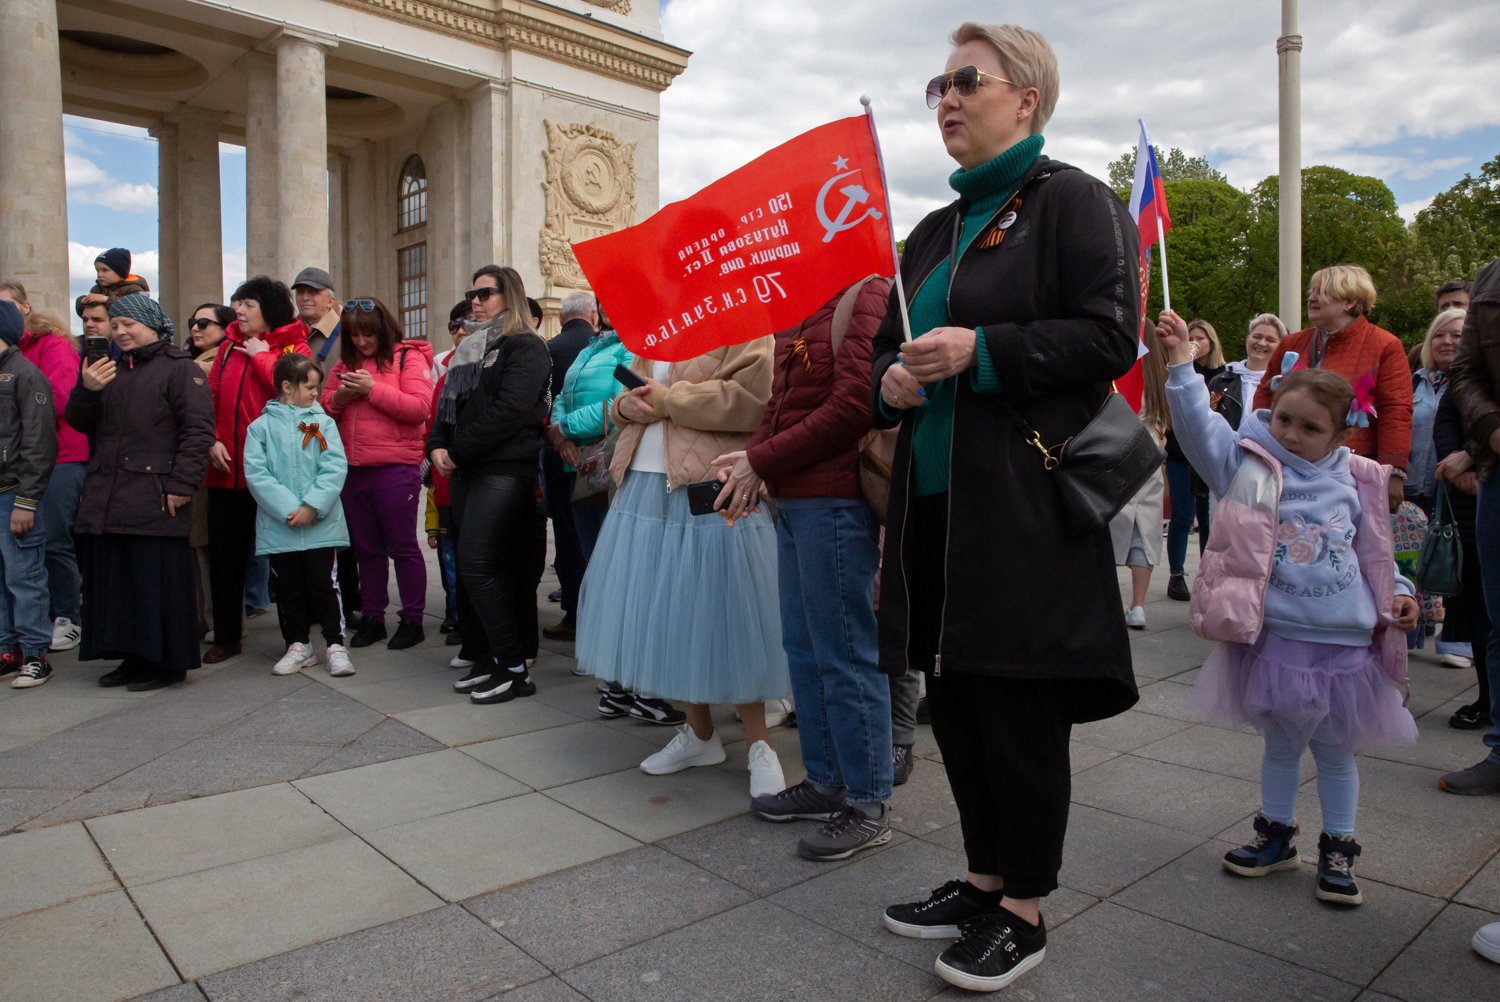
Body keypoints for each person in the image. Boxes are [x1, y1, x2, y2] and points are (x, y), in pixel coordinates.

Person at [870, 23, 1140, 994]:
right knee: (960, 699)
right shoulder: (931, 232)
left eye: (967, 79)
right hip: (936, 505)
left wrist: (979, 354)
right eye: (936, 81)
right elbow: (886, 354)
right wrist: (890, 385)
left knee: (1018, 700)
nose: (947, 95)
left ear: (1025, 98)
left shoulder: (1073, 202)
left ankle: (1023, 907)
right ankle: (983, 879)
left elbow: (1111, 335)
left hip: (1024, 500)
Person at [1157, 308, 1420, 906]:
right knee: (1278, 746)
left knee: (1333, 750)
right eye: (1283, 419)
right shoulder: (1249, 463)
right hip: (1275, 639)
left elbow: (1380, 557)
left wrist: (1402, 596)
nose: (1292, 434)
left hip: (1342, 647)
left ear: (1342, 432)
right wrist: (1179, 363)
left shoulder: (1362, 480)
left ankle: (1339, 846)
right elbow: (1199, 429)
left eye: (1309, 427)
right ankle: (1275, 836)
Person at [703, 277, 889, 859]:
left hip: (835, 501)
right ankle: (828, 779)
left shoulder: (866, 293)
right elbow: (779, 407)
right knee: (804, 649)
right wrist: (751, 462)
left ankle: (868, 799)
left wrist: (762, 459)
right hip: (795, 499)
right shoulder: (802, 302)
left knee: (844, 652)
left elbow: (856, 404)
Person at [574, 318, 788, 790]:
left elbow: (752, 402)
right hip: (645, 484)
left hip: (708, 482)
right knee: (670, 612)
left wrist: (667, 401)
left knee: (730, 610)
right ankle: (699, 733)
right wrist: (626, 406)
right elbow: (633, 396)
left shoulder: (743, 318)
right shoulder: (658, 324)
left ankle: (759, 743)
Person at [68, 294, 213, 690]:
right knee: (119, 582)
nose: (120, 331)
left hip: (156, 491)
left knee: (155, 582)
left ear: (151, 324)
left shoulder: (179, 369)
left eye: (128, 324)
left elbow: (198, 431)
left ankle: (166, 663)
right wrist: (87, 389)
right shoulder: (108, 369)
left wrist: (183, 483)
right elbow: (81, 422)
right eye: (115, 326)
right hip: (110, 492)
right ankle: (132, 657)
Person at [427, 265, 551, 703]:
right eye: (472, 294)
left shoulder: (525, 346)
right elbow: (447, 406)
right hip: (465, 471)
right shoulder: (472, 349)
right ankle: (497, 661)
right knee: (482, 568)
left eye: (485, 294)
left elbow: (512, 410)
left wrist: (457, 451)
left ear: (509, 295)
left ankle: (515, 669)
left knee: (477, 565)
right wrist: (437, 446)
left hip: (502, 469)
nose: (475, 301)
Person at [204, 276, 311, 663]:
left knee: (286, 559)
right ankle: (228, 635)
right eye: (237, 303)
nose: (239, 310)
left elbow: (297, 394)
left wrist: (260, 355)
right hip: (226, 469)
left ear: (270, 309)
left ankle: (297, 638)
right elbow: (211, 395)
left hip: (275, 473)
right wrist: (211, 438)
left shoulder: (294, 346)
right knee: (225, 556)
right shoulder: (227, 348)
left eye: (248, 303)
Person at [1252, 264, 1414, 514]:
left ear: (1350, 301)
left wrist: (1392, 471)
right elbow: (1265, 396)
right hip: (1287, 464)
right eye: (1311, 290)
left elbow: (1396, 410)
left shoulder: (1386, 345)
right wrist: (1259, 447)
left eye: (1322, 291)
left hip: (1354, 470)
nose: (1311, 297)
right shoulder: (1292, 342)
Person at [321, 298, 433, 649]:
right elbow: (324, 405)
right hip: (353, 467)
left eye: (367, 334)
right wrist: (340, 397)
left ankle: (412, 619)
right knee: (366, 549)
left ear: (383, 328)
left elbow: (420, 408)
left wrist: (372, 390)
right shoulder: (347, 360)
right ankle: (373, 617)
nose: (361, 342)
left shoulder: (407, 356)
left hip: (395, 466)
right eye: (354, 335)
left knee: (402, 547)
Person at [244, 353, 354, 677]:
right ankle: (299, 644)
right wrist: (291, 509)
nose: (315, 394)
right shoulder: (259, 428)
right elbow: (257, 474)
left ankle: (335, 644)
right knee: (288, 588)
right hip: (282, 527)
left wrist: (312, 506)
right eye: (309, 387)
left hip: (321, 525)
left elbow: (334, 467)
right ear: (287, 387)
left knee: (324, 584)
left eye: (317, 387)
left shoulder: (324, 423)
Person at [1439, 255, 1500, 796]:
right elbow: (1468, 371)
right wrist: (1489, 432)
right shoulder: (1491, 280)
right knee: (1496, 615)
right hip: (1497, 469)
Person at [0, 282, 86, 653]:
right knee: (22, 555)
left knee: (51, 542)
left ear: (24, 307)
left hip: (61, 454)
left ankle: (66, 617)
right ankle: (21, 630)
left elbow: (61, 397)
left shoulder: (50, 346)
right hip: (18, 460)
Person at [0, 300, 58, 688]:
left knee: (25, 577)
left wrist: (26, 500)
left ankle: (36, 653)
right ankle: (7, 648)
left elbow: (39, 443)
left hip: (12, 492)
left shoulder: (25, 374)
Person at [540, 291, 600, 642]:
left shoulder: (550, 348)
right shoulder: (591, 348)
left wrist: (560, 433)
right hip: (591, 453)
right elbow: (560, 397)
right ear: (592, 316)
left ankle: (576, 616)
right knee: (590, 539)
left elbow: (548, 400)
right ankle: (590, 619)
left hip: (564, 455)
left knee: (568, 537)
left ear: (561, 318)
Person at [1434, 390, 1491, 729]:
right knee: (1478, 604)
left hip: (1485, 474)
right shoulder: (1467, 375)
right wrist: (1457, 468)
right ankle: (1488, 698)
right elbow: (1445, 425)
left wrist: (1469, 454)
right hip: (1469, 500)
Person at [1162, 319, 1224, 602]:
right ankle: (1176, 575)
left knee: (1209, 518)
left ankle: (1207, 576)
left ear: (1212, 342)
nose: (1195, 342)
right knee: (1182, 515)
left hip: (1210, 455)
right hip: (1179, 454)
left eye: (1201, 338)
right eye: (1192, 337)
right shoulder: (1177, 371)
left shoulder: (1224, 376)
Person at [1113, 329, 1170, 629]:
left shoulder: (1121, 366)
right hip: (1148, 454)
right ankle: (1138, 605)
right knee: (1144, 527)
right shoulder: (1159, 375)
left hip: (1116, 447)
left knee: (1109, 521)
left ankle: (1110, 599)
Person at [187, 304, 233, 638]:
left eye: (205, 322)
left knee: (208, 549)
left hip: (208, 466)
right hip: (196, 466)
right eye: (192, 322)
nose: (196, 327)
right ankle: (207, 620)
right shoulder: (194, 360)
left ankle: (218, 622)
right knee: (199, 548)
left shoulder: (215, 362)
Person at [1407, 309, 1466, 515]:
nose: (1446, 341)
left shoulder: (1477, 387)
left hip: (1454, 492)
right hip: (1408, 491)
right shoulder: (1410, 383)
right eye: (1439, 335)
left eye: (1456, 335)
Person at [1209, 313, 1287, 431]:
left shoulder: (1283, 386)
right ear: (1247, 340)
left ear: (1280, 346)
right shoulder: (1221, 382)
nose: (1261, 343)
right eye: (1257, 337)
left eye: (1270, 340)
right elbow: (1208, 421)